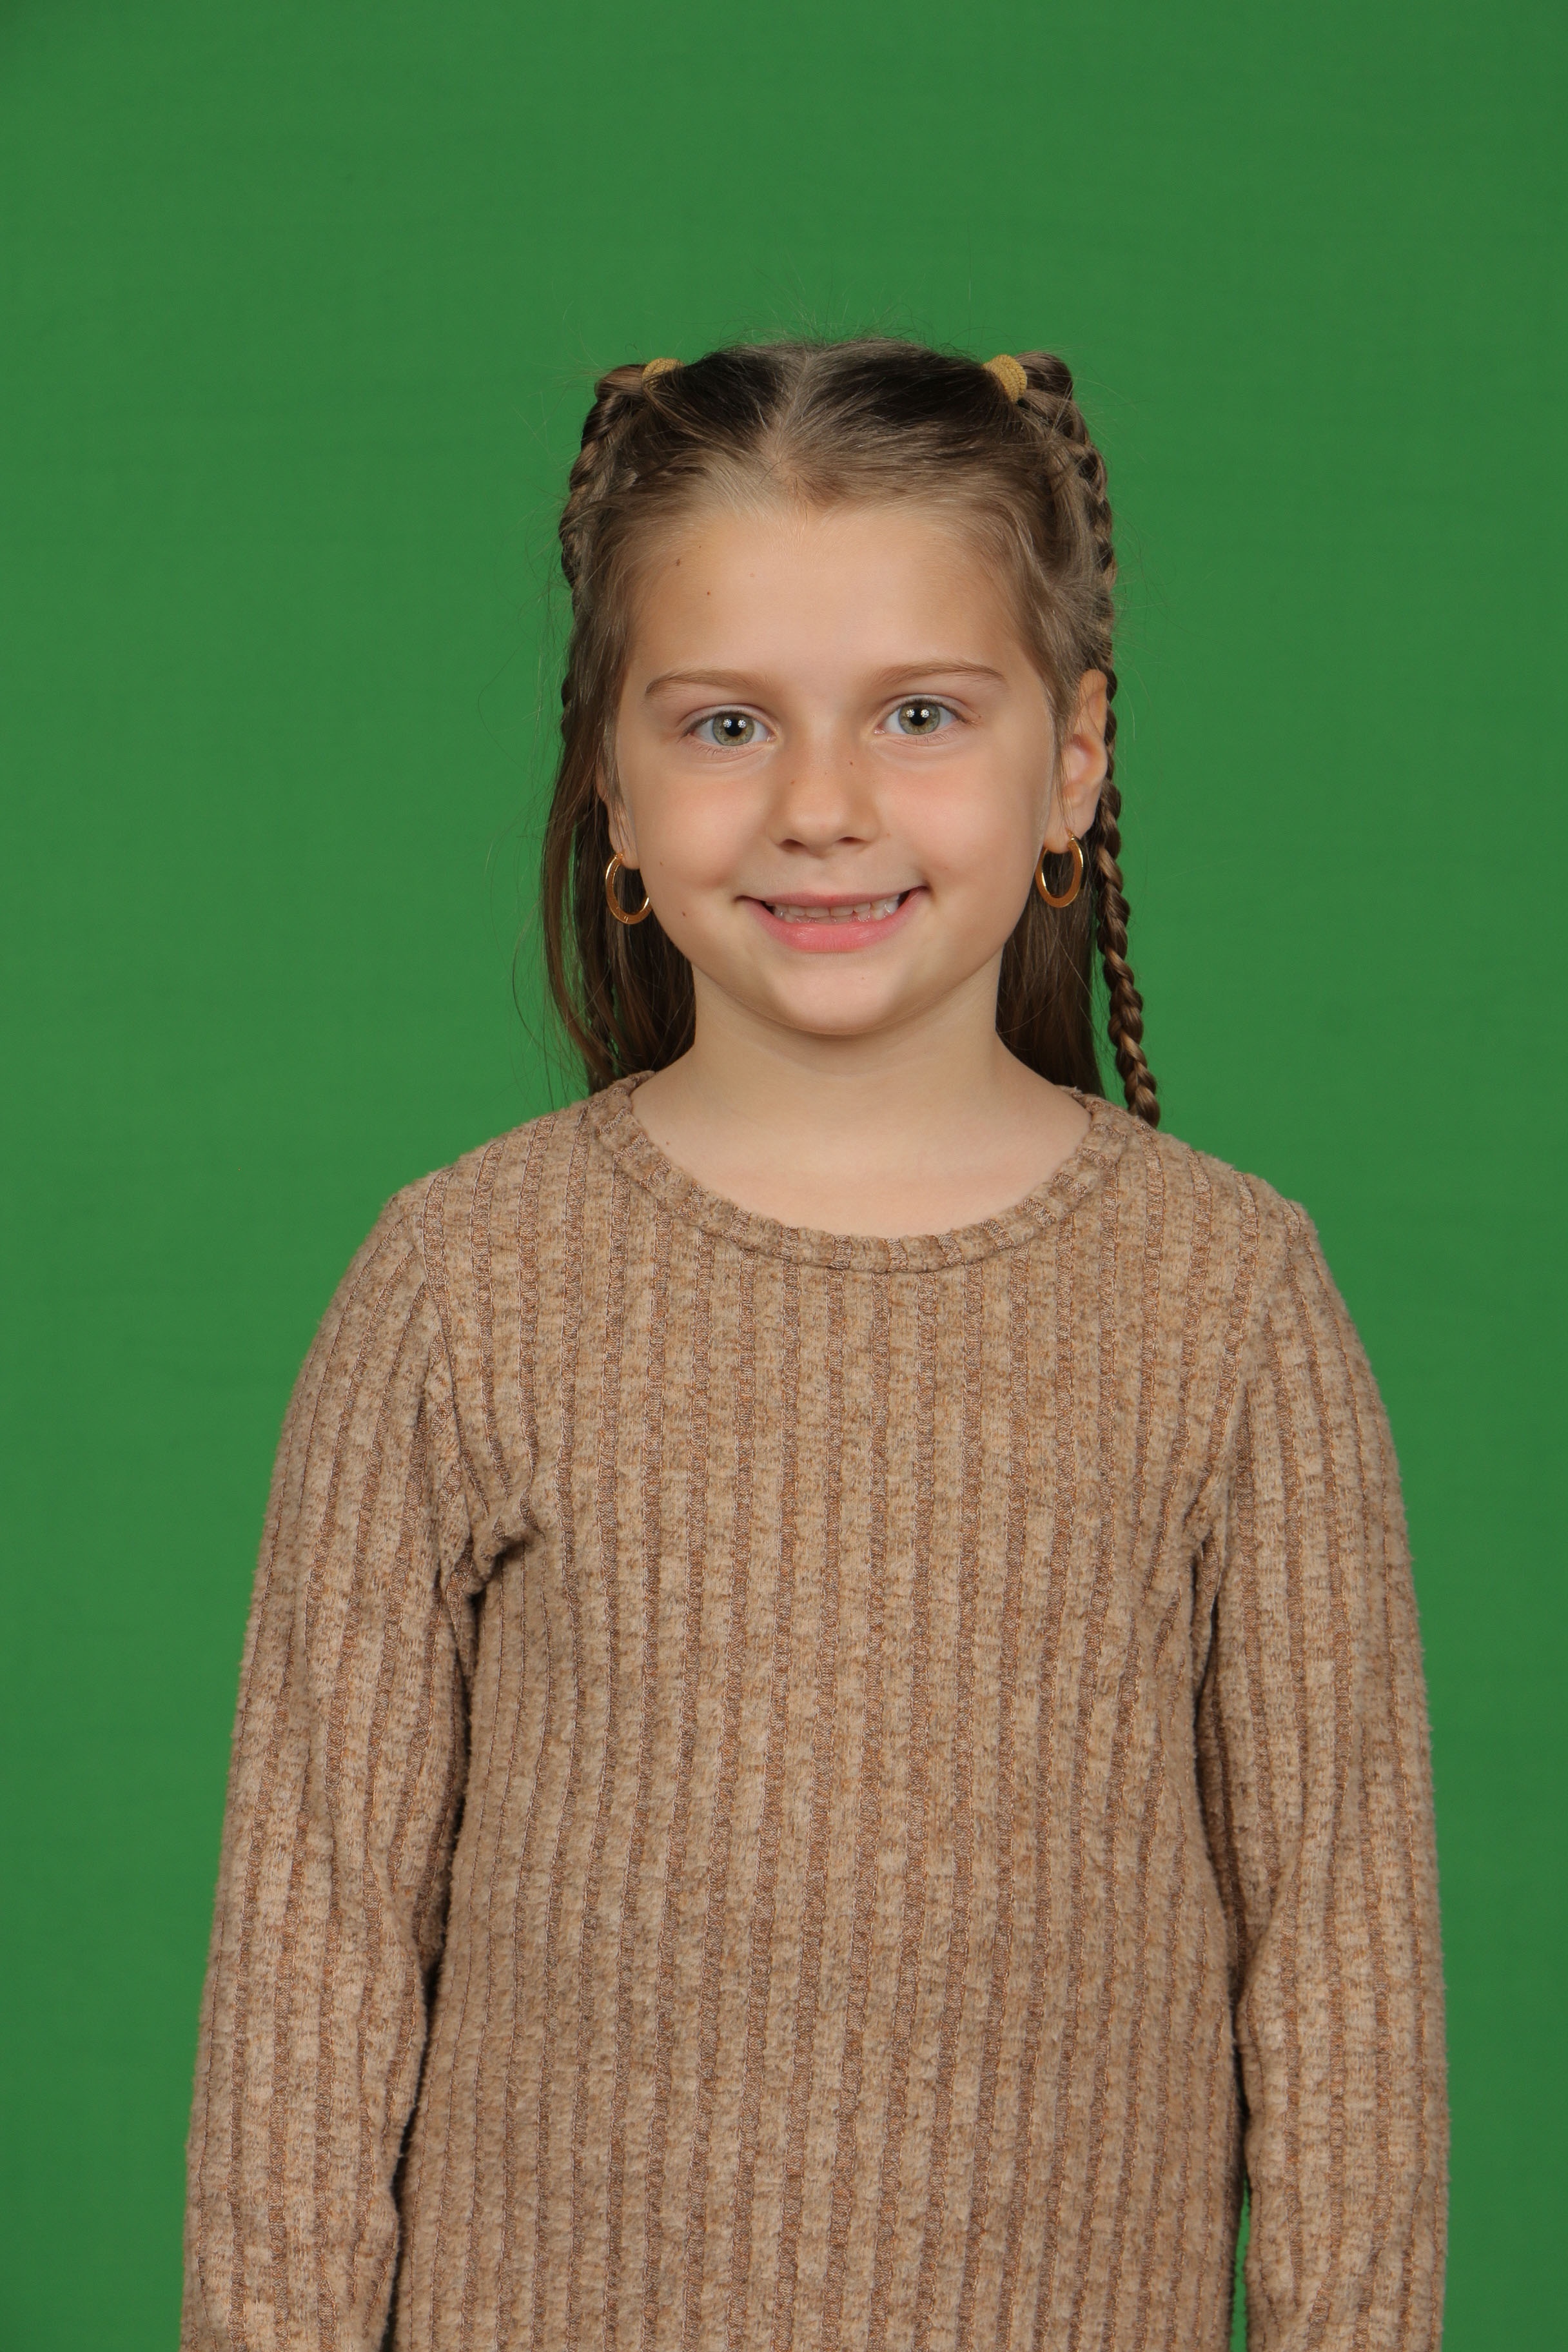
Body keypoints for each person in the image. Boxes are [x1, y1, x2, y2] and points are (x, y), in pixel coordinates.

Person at [182, 339, 1447, 2352]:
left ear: (1075, 761)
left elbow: (1345, 1998)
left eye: (921, 714)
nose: (824, 807)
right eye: (726, 723)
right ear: (611, 779)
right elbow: (305, 1987)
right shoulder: (459, 1286)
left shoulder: (1228, 1303)